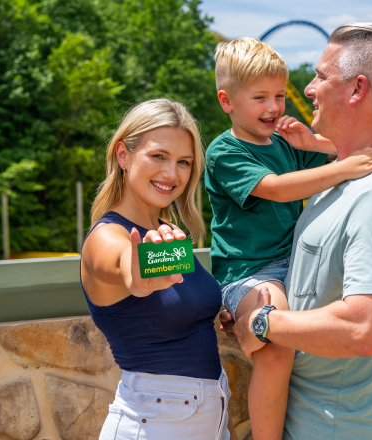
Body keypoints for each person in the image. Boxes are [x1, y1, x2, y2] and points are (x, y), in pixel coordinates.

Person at [222, 23, 372, 439]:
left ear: (356, 90)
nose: (308, 89)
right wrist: (247, 305)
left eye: (321, 76)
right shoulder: (342, 180)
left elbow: (363, 329)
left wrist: (263, 323)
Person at [80, 99, 237, 440]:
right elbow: (129, 267)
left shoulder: (167, 234)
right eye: (159, 156)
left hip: (209, 416)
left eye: (184, 162)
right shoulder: (106, 236)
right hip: (153, 423)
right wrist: (140, 273)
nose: (172, 173)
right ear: (123, 155)